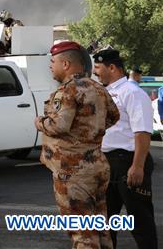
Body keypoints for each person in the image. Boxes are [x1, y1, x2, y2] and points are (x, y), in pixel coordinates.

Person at [35, 40, 118, 249]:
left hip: (72, 171)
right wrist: (88, 133)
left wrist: (39, 122)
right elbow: (114, 116)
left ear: (66, 64)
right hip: (97, 164)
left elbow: (59, 125)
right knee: (100, 228)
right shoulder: (97, 88)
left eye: (53, 61)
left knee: (82, 233)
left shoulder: (68, 90)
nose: (50, 66)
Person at [93, 49, 157, 249]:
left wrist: (137, 165)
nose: (95, 72)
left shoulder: (132, 92)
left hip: (128, 161)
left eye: (98, 67)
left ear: (112, 68)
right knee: (104, 221)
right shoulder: (106, 92)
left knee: (140, 220)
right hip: (107, 163)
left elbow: (142, 132)